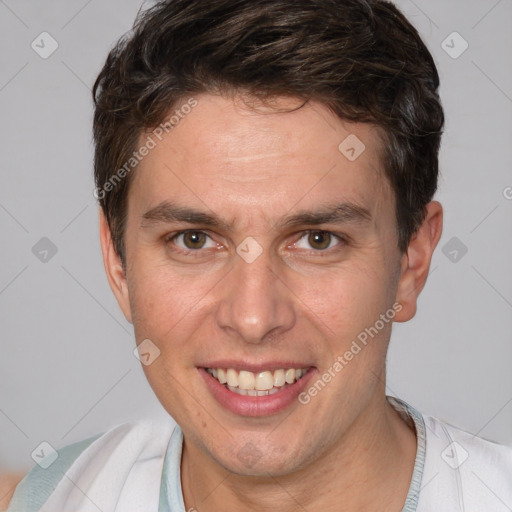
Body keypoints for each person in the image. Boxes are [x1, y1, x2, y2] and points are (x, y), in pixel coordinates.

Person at [6, 0, 512, 510]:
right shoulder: (54, 498)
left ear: (411, 260)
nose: (253, 318)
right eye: (194, 239)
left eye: (318, 239)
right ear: (118, 261)